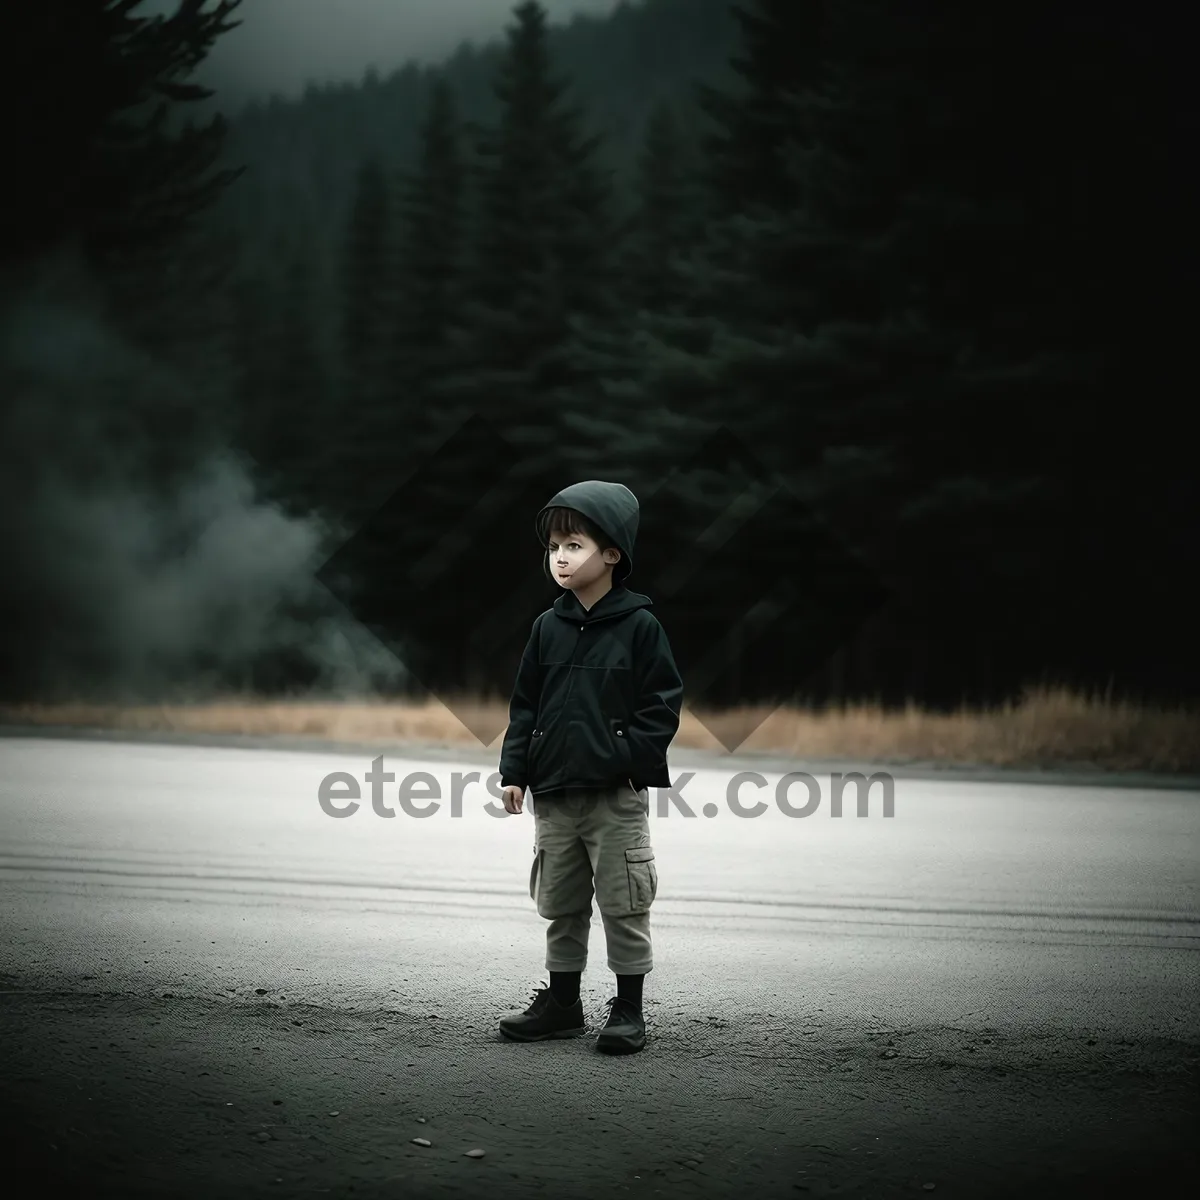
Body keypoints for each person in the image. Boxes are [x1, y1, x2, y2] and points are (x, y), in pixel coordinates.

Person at [497, 480, 683, 1054]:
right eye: (554, 546)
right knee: (561, 903)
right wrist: (515, 770)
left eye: (574, 545)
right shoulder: (545, 627)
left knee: (625, 901)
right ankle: (562, 1003)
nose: (560, 557)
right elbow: (526, 704)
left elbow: (663, 703)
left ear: (611, 555)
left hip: (613, 796)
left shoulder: (639, 627)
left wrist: (630, 761)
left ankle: (628, 1010)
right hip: (553, 793)